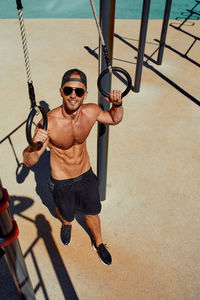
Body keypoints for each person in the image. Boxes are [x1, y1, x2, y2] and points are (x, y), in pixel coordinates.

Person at [23, 68, 123, 266]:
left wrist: (117, 104)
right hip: (62, 181)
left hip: (85, 174)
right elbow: (29, 161)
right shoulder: (48, 123)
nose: (73, 96)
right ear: (61, 91)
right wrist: (33, 144)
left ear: (85, 94)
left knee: (93, 213)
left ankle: (99, 243)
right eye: (68, 90)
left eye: (78, 92)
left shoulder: (92, 111)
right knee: (66, 213)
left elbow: (114, 118)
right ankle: (67, 224)